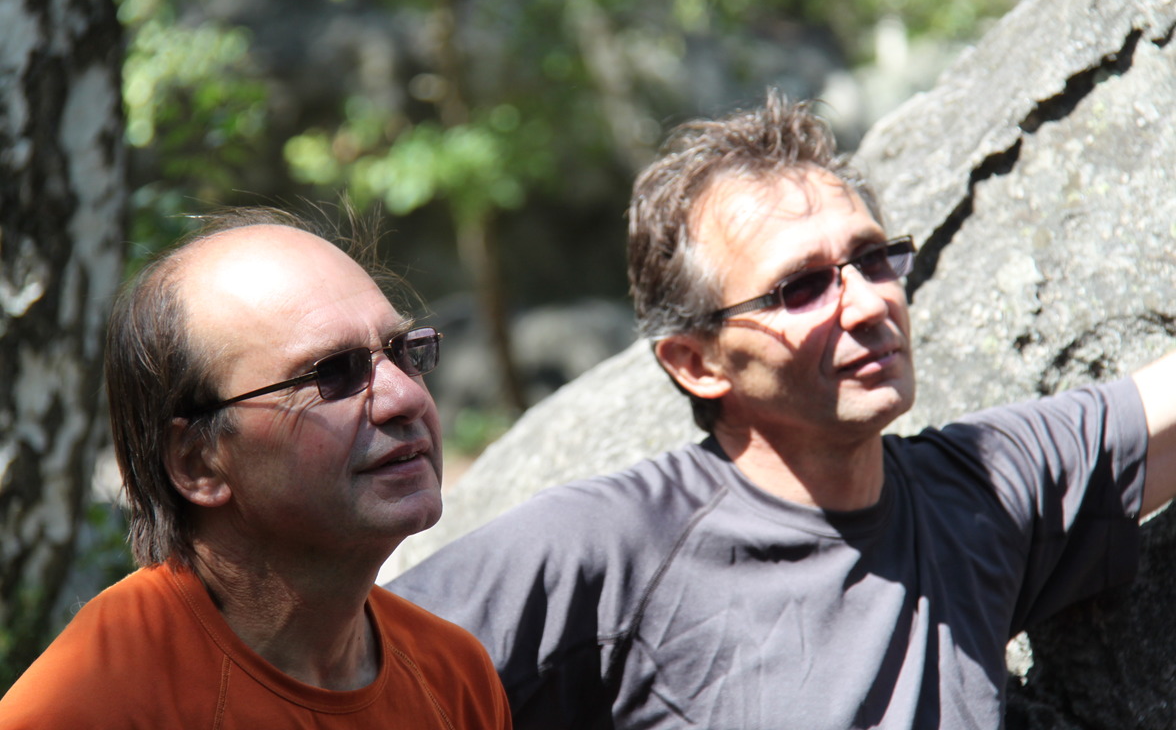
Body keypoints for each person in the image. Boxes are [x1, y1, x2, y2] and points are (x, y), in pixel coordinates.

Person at [387, 91, 1176, 729]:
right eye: (801, 288)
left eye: (872, 258)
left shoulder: (978, 489)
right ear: (696, 363)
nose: (868, 303)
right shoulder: (610, 549)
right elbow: (341, 676)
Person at [0, 208, 511, 728]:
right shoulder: (86, 707)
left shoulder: (455, 677)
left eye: (402, 351)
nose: (405, 397)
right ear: (197, 462)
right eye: (333, 374)